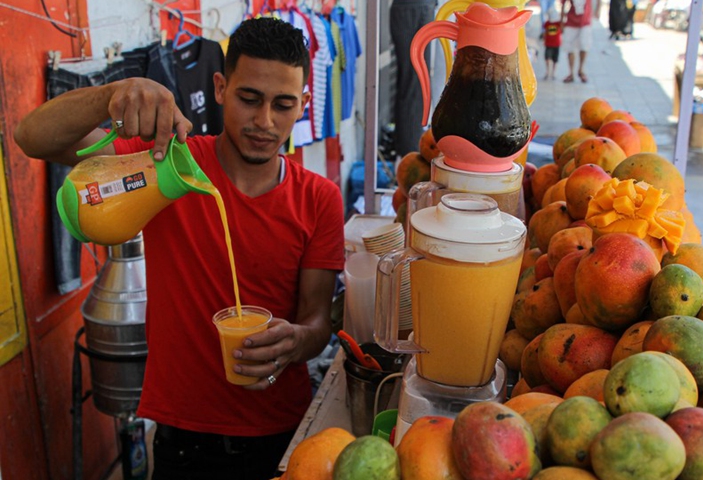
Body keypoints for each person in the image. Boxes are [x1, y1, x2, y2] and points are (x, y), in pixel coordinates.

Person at [14, 18, 344, 479]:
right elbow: (32, 137)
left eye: (283, 104)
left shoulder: (320, 198)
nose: (265, 122)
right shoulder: (169, 166)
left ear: (304, 104)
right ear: (220, 88)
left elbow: (316, 318)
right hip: (183, 441)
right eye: (249, 99)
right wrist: (112, 93)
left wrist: (296, 341)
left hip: (282, 434)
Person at [390, 0, 437, 158]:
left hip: (418, 8)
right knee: (414, 82)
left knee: (416, 82)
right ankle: (410, 154)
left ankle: (409, 152)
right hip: (412, 8)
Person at [561, 0, 594, 83]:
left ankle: (581, 70)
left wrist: (597, 11)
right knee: (569, 47)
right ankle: (571, 73)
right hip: (571, 21)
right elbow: (563, 3)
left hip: (585, 21)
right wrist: (562, 20)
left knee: (584, 46)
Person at [543, 8, 563, 80]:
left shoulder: (558, 23)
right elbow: (545, 32)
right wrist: (544, 39)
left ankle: (553, 73)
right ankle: (548, 72)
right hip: (548, 44)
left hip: (556, 44)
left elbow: (562, 26)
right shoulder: (547, 23)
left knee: (555, 59)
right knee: (547, 58)